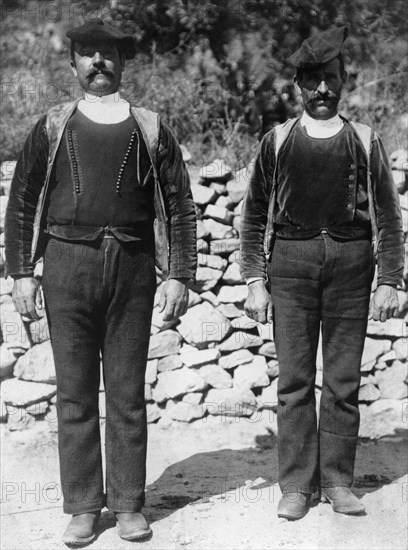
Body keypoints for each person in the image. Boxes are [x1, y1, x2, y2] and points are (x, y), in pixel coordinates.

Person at [5, 19, 197, 545]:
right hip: (67, 263)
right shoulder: (52, 125)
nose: (98, 62)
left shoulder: (150, 127)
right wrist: (22, 271)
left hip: (134, 266)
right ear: (73, 64)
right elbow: (22, 201)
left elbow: (180, 204)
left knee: (129, 393)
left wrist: (179, 273)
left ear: (122, 62)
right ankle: (84, 506)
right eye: (87, 53)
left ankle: (130, 504)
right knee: (74, 395)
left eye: (107, 53)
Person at [240, 26, 404, 520]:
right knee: (292, 381)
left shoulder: (364, 140)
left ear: (344, 80)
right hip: (290, 267)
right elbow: (253, 216)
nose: (323, 91)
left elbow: (389, 216)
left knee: (342, 383)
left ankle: (337, 481)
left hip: (352, 269)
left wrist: (390, 279)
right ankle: (295, 486)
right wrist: (254, 279)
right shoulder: (278, 141)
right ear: (298, 85)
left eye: (331, 79)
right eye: (312, 82)